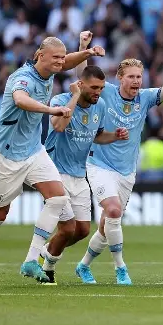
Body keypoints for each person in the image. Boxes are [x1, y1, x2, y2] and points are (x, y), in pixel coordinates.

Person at [0, 34, 104, 287]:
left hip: (33, 150)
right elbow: (21, 100)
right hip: (4, 154)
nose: (60, 63)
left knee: (58, 199)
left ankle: (31, 260)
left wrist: (86, 53)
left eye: (62, 58)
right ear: (40, 56)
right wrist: (52, 110)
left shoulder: (50, 70)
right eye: (55, 58)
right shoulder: (22, 78)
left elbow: (68, 63)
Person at [75, 45, 163, 286]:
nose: (136, 81)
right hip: (99, 165)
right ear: (120, 78)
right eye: (132, 77)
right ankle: (121, 269)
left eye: (139, 77)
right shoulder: (106, 93)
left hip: (127, 171)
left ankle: (83, 266)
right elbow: (85, 78)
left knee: (107, 225)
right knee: (113, 211)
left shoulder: (145, 98)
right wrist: (84, 50)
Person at [38, 65, 129, 284]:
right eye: (94, 87)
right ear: (80, 85)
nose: (98, 92)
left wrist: (114, 136)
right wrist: (75, 97)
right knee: (67, 228)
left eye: (101, 88)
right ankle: (48, 269)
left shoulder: (101, 106)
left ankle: (46, 250)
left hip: (79, 174)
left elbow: (96, 136)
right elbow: (59, 126)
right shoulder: (60, 101)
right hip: (55, 173)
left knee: (82, 230)